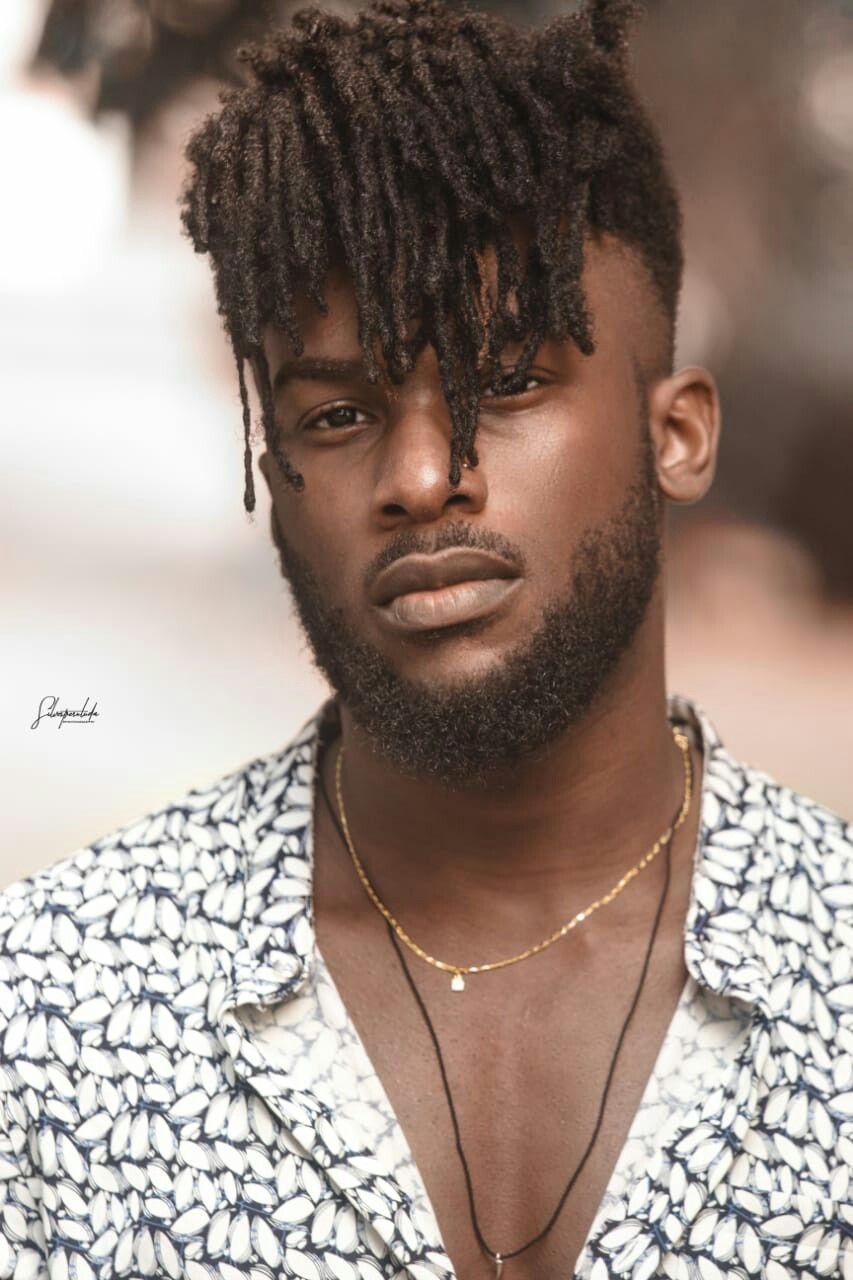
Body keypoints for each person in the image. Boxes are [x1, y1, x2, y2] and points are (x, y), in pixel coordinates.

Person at [1, 1, 851, 1277]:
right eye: (338, 415)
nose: (416, 475)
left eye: (503, 383)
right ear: (275, 476)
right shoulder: (54, 1012)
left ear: (675, 434)